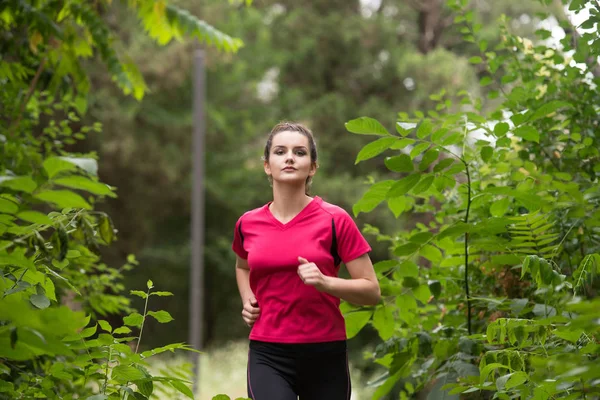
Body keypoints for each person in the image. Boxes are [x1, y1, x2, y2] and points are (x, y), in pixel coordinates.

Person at [231, 122, 380, 400]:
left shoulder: (336, 220)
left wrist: (326, 282)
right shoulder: (247, 224)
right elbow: (242, 266)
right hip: (268, 352)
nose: (289, 157)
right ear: (267, 165)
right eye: (280, 151)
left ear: (312, 167)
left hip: (325, 353)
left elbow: (372, 291)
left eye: (299, 152)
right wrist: (247, 298)